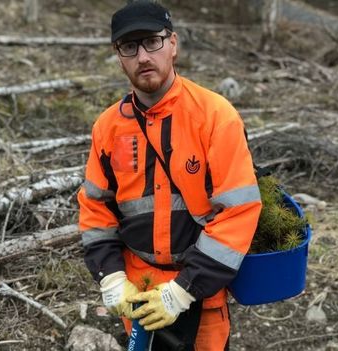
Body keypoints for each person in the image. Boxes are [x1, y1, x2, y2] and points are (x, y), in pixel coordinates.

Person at [77, 1, 262, 350]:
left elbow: (239, 211)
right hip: (137, 291)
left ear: (173, 44)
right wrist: (111, 277)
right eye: (129, 47)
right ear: (119, 56)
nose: (143, 56)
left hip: (201, 294)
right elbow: (95, 208)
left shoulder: (215, 117)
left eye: (152, 42)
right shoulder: (108, 127)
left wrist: (183, 290)